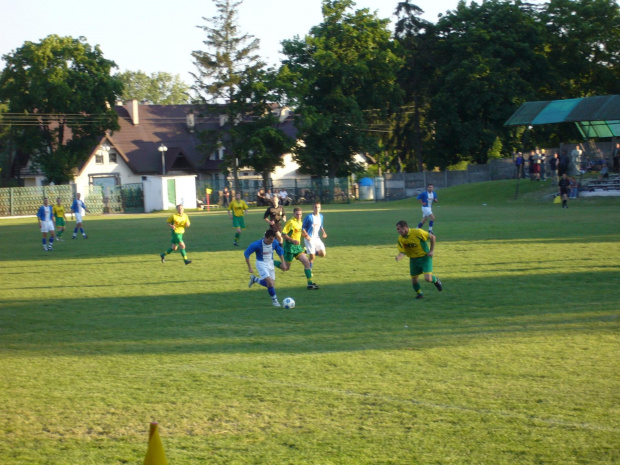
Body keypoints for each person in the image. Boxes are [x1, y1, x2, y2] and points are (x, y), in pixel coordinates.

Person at [395, 220, 442, 299]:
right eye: (397, 229)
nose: (398, 231)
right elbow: (402, 252)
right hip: (413, 261)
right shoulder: (400, 239)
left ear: (405, 228)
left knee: (428, 278)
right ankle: (420, 294)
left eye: (399, 229)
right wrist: (399, 257)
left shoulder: (417, 232)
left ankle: (436, 280)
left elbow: (432, 237)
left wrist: (431, 251)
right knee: (414, 281)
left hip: (425, 258)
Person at [245, 228, 288, 307]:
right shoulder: (257, 244)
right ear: (266, 237)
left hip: (270, 263)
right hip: (261, 264)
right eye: (270, 239)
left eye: (273, 239)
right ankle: (275, 301)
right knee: (270, 283)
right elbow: (246, 254)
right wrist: (250, 267)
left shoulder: (274, 242)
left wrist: (283, 263)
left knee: (271, 284)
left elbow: (280, 252)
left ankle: (255, 279)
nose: (272, 241)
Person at [281, 207, 319, 289]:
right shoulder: (290, 222)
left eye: (300, 214)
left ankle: (310, 284)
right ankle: (271, 262)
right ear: (293, 214)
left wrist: (305, 235)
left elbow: (299, 231)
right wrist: (292, 240)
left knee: (307, 263)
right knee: (286, 268)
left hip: (297, 247)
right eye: (297, 214)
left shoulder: (300, 222)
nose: (298, 216)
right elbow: (283, 234)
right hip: (289, 248)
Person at [302, 202, 327, 269]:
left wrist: (324, 233)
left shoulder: (321, 216)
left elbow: (321, 226)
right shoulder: (309, 217)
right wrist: (306, 235)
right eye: (315, 207)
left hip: (317, 238)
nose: (317, 209)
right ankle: (309, 270)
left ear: (320, 208)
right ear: (313, 208)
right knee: (312, 257)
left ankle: (307, 251)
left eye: (318, 207)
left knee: (323, 253)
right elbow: (303, 227)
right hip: (309, 238)